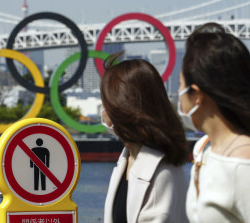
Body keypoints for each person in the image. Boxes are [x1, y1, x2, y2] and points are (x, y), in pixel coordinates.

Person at [100, 56, 189, 223]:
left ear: (121, 107)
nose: (103, 111)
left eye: (106, 102)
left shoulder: (161, 171)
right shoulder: (128, 158)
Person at [179, 26, 250, 222]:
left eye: (180, 85)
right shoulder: (207, 152)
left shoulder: (241, 162)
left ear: (197, 95)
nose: (179, 95)